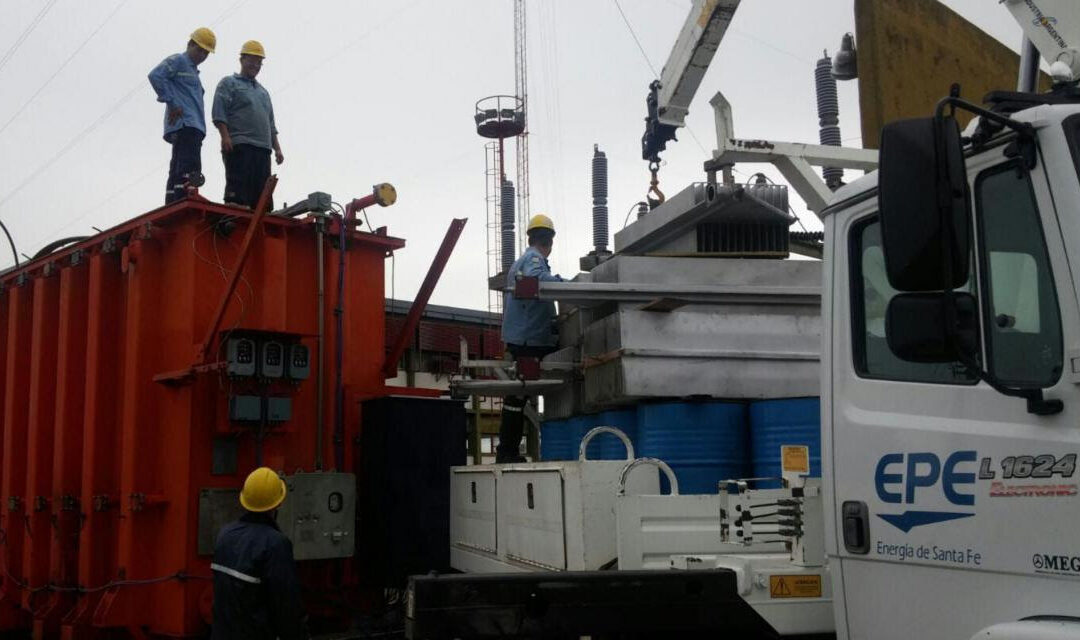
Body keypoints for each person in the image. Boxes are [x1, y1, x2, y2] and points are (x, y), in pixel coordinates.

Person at [497, 214, 564, 463]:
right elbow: (540, 280)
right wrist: (568, 285)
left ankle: (507, 452)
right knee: (518, 396)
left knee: (516, 398)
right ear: (549, 241)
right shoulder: (534, 259)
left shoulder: (521, 261)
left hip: (525, 338)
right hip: (530, 340)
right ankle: (507, 453)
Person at [211, 467, 307, 639]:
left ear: (244, 499)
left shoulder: (225, 534)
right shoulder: (276, 544)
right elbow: (287, 607)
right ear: (279, 503)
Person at [212, 40, 284, 209]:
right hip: (240, 145)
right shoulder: (229, 83)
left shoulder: (263, 93)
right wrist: (225, 136)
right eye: (252, 60)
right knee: (238, 196)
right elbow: (219, 112)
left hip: (263, 150)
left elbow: (270, 124)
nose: (256, 65)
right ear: (242, 59)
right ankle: (234, 219)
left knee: (262, 200)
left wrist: (278, 149)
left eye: (259, 62)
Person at [148, 27, 216, 204]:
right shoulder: (178, 61)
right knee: (188, 164)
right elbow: (156, 75)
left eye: (205, 52)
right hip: (186, 124)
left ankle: (173, 199)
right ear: (189, 44)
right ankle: (184, 198)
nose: (201, 55)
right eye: (199, 49)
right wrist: (172, 102)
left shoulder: (193, 71)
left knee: (178, 164)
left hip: (193, 125)